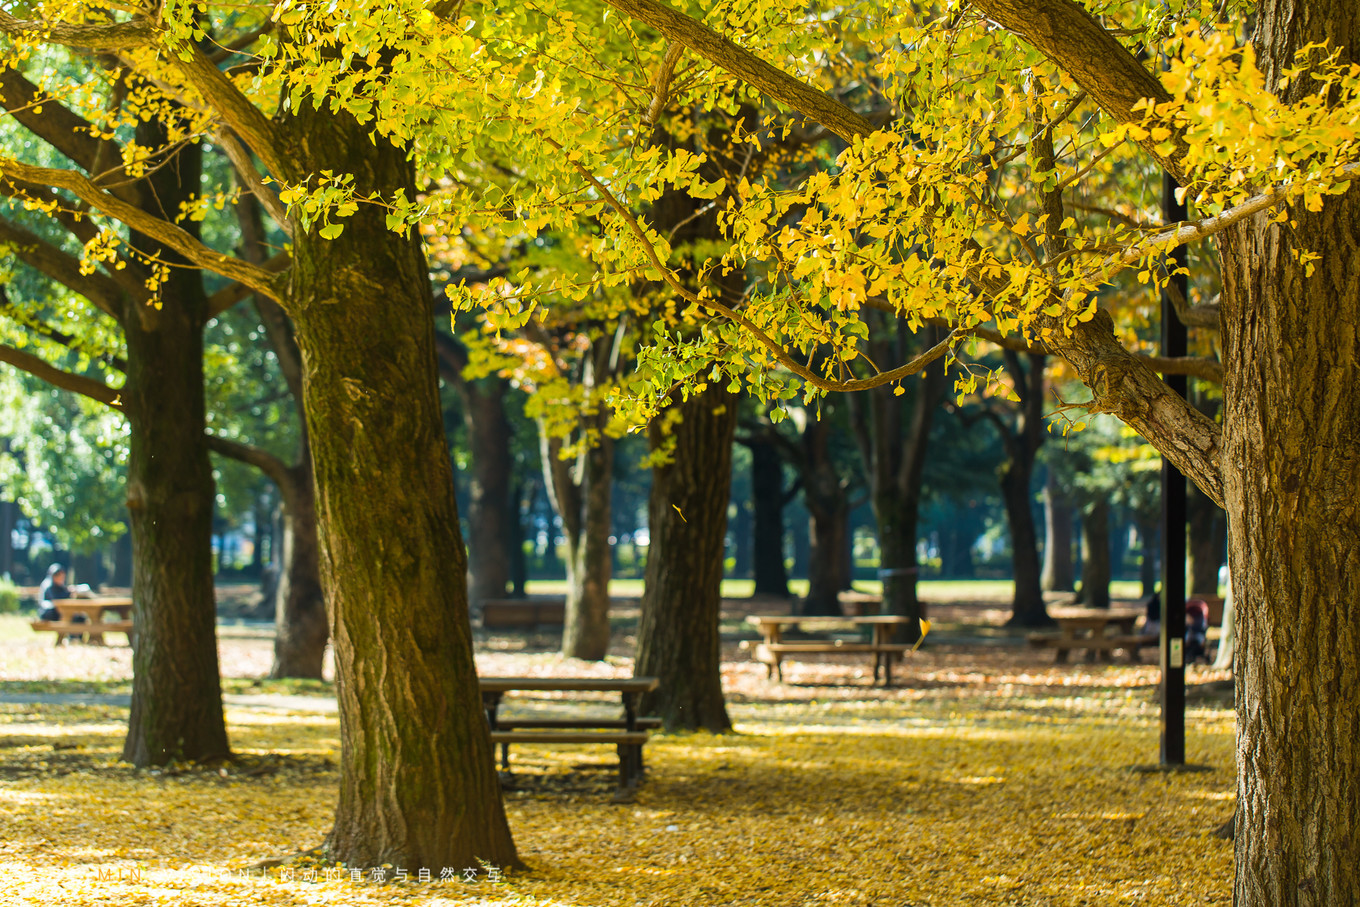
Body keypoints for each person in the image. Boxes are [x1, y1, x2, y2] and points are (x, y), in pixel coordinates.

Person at [1185, 598, 1210, 664]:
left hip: (1198, 633)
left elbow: (1203, 627)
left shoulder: (1201, 620)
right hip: (1190, 633)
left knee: (1199, 640)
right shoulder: (1188, 621)